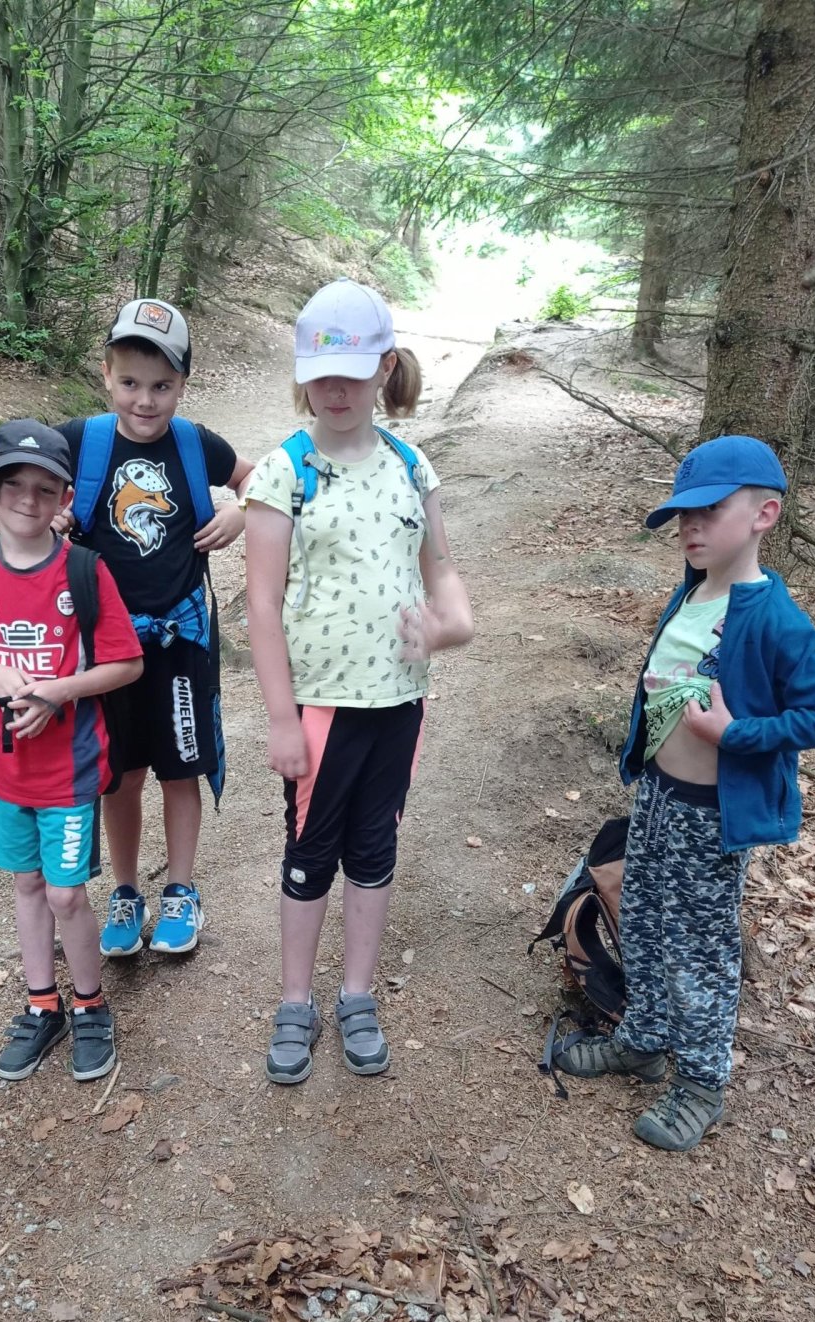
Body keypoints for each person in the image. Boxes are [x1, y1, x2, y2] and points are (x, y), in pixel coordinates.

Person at [553, 436, 815, 1150]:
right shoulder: (692, 592)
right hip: (659, 797)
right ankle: (643, 1040)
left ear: (764, 514)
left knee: (699, 948)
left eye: (710, 511)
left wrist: (738, 734)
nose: (690, 526)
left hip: (710, 815)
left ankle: (700, 1082)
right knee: (647, 922)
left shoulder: (774, 617)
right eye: (681, 515)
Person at [244, 279, 474, 1086]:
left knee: (376, 847)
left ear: (384, 368)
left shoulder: (412, 464)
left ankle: (357, 995)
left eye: (352, 373)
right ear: (303, 375)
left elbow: (441, 569)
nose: (335, 391)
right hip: (320, 705)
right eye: (320, 375)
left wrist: (452, 621)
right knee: (311, 851)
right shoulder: (285, 471)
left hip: (400, 702)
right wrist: (281, 717)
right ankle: (295, 1000)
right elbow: (261, 603)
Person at [0, 421, 142, 1082]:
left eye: (45, 489)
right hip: (4, 771)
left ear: (65, 498)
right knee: (26, 885)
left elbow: (127, 663)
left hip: (69, 769)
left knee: (67, 895)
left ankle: (90, 1004)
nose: (27, 499)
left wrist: (57, 691)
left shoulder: (83, 571)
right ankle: (42, 1004)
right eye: (13, 484)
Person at [56, 299, 255, 958]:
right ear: (106, 374)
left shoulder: (196, 445)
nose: (145, 400)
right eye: (131, 382)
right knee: (120, 775)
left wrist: (242, 511)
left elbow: (258, 477)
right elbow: (21, 481)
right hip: (107, 649)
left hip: (179, 641)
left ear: (183, 385)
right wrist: (52, 516)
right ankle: (125, 890)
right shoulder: (80, 442)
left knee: (179, 768)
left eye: (162, 386)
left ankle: (180, 889)